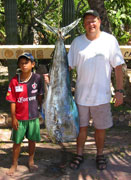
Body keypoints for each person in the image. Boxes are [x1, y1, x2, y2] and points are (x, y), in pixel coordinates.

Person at [68, 9, 125, 170]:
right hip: (81, 97)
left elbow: (118, 67)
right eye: (87, 22)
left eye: (93, 20)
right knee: (81, 128)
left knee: (100, 128)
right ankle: (79, 154)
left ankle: (100, 154)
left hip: (102, 97)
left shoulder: (110, 40)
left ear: (99, 21)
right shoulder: (77, 42)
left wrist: (119, 92)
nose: (90, 24)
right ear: (84, 25)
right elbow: (68, 67)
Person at [6, 52, 44, 175]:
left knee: (32, 141)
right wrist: (13, 117)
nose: (24, 65)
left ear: (32, 64)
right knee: (17, 142)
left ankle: (31, 161)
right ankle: (14, 163)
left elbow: (40, 96)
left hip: (33, 117)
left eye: (26, 62)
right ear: (18, 65)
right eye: (21, 63)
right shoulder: (14, 81)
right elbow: (12, 101)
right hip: (19, 118)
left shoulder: (37, 79)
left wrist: (39, 112)